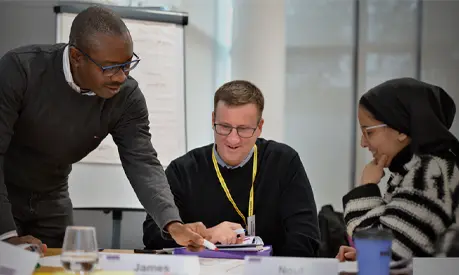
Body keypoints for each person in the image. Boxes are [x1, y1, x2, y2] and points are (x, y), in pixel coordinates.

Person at [0, 6, 207, 249]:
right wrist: (5, 235)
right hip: (4, 190)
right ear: (77, 57)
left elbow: (142, 161)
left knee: (62, 265)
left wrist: (172, 222)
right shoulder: (20, 69)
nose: (121, 77)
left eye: (127, 65)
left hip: (50, 199)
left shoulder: (126, 97)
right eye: (110, 67)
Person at [142, 80, 320, 257]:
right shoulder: (183, 170)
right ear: (213, 120)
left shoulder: (284, 162)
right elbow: (152, 234)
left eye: (243, 129)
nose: (233, 139)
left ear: (259, 127)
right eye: (225, 127)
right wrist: (206, 235)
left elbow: (306, 237)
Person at [336, 78, 459, 262]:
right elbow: (402, 249)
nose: (363, 143)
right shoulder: (421, 168)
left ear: (402, 130)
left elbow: (386, 255)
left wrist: (366, 189)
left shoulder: (429, 173)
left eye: (369, 132)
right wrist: (365, 255)